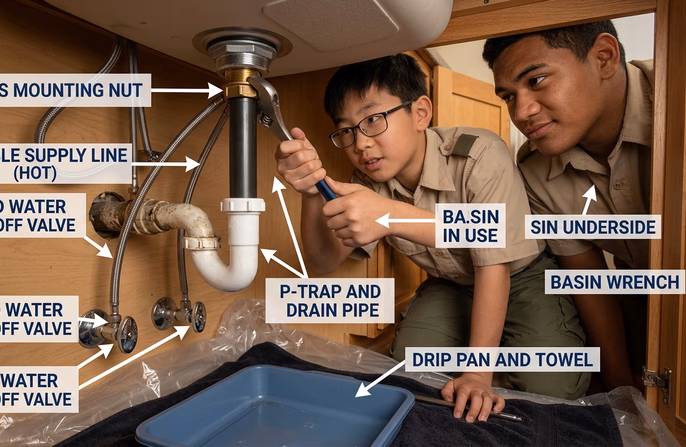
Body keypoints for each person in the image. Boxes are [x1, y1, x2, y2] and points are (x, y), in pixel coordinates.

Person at [275, 54, 589, 422]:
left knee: (553, 386)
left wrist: (477, 372)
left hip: (521, 276)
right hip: (449, 283)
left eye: (373, 120)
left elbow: (491, 255)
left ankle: (500, 356)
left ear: (421, 112)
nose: (360, 143)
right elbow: (322, 262)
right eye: (346, 130)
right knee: (409, 367)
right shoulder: (367, 183)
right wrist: (312, 193)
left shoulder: (480, 153)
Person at [483, 21, 652, 392]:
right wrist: (620, 386)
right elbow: (588, 280)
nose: (522, 112)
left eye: (537, 81)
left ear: (604, 57)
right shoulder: (534, 169)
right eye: (508, 96)